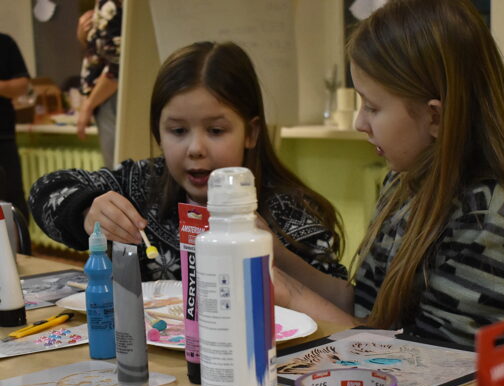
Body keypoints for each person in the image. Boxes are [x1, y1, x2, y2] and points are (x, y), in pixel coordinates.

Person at [272, 0, 504, 373]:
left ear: (434, 116)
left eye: (372, 107)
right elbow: (369, 309)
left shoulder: (491, 215)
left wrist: (291, 294)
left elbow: (431, 364)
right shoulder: (406, 179)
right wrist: (273, 254)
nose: (359, 123)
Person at [29, 41, 346, 282]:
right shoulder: (140, 186)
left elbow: (338, 303)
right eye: (178, 131)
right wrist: (86, 210)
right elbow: (44, 190)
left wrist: (272, 250)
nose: (195, 148)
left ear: (250, 133)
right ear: (158, 132)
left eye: (216, 131)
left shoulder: (289, 211)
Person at [76, 0, 122, 167]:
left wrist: (88, 105)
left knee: (119, 168)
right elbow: (101, 54)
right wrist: (85, 37)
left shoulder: (110, 5)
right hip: (106, 98)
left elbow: (117, 66)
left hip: (111, 96)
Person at [0, 33, 31, 221]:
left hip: (3, 137)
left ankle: (17, 239)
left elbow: (22, 85)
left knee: (12, 200)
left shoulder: (4, 43)